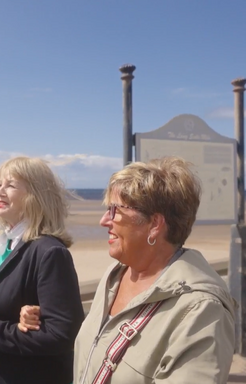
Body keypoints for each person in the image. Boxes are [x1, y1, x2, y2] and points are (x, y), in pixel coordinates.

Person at [19, 157, 235, 383]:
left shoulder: (201, 311)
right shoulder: (115, 276)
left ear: (154, 224)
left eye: (115, 210)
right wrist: (41, 319)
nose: (104, 220)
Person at [0, 156, 84, 384]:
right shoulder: (5, 244)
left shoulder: (49, 252)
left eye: (11, 185)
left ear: (35, 196)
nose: (0, 192)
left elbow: (62, 336)